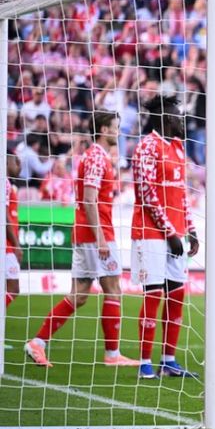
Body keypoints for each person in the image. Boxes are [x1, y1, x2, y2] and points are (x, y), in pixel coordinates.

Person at [24, 110, 139, 368]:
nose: (118, 132)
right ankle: (112, 355)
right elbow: (89, 200)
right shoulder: (97, 158)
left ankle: (38, 343)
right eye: (115, 127)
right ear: (104, 130)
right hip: (95, 233)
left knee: (80, 294)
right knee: (113, 289)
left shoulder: (94, 156)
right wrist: (100, 238)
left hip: (85, 231)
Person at [131, 95, 199, 379]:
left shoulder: (178, 147)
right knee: (154, 293)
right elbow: (146, 193)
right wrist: (169, 231)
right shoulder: (147, 147)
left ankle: (169, 360)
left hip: (176, 232)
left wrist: (190, 229)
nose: (182, 121)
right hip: (150, 232)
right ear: (165, 118)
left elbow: (181, 193)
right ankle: (145, 363)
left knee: (177, 293)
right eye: (177, 116)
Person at [5, 154, 22, 310]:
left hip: (7, 243)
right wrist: (16, 244)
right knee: (13, 288)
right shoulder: (4, 183)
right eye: (16, 162)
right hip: (6, 245)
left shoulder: (7, 183)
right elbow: (4, 216)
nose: (19, 165)